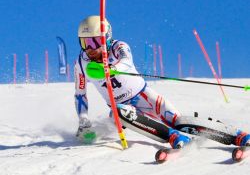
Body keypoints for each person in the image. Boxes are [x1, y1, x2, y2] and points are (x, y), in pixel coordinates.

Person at [74, 15, 250, 148]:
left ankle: (236, 135)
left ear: (107, 37)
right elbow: (80, 94)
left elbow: (127, 62)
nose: (90, 49)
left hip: (143, 96)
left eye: (94, 41)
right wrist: (83, 119)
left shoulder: (118, 47)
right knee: (118, 113)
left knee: (178, 121)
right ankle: (172, 137)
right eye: (84, 43)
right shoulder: (81, 64)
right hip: (120, 107)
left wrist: (112, 67)